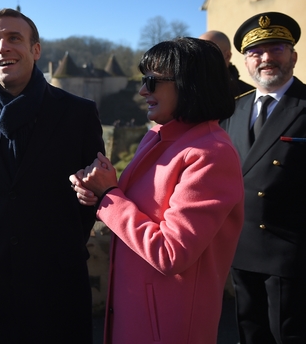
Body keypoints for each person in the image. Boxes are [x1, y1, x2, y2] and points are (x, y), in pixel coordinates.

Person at [70, 37, 244, 343]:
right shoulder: (157, 137)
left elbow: (170, 253)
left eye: (152, 81)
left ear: (190, 83)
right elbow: (131, 209)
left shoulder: (211, 153)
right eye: (142, 80)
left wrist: (109, 196)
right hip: (136, 310)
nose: (142, 90)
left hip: (169, 324)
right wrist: (97, 194)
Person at [0, 8, 105, 343]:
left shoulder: (78, 113)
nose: (3, 47)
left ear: (36, 50)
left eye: (14, 38)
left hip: (57, 280)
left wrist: (57, 244)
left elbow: (91, 197)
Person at [220, 12, 306, 343]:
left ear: (293, 55)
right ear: (246, 62)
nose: (265, 59)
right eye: (255, 52)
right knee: (251, 334)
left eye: (276, 48)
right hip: (242, 249)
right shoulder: (233, 110)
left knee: (292, 336)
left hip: (295, 253)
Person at [200, 30, 254, 97]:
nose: (202, 57)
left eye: (208, 52)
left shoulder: (249, 96)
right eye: (198, 52)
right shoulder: (188, 91)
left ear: (227, 55)